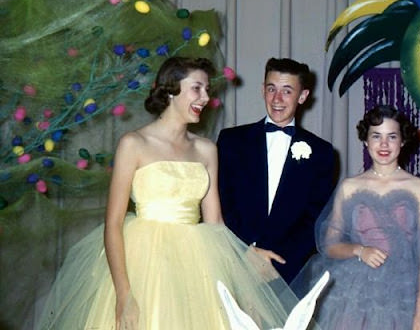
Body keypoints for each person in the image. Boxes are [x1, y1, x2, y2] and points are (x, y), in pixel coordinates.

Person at [36, 57, 298, 330]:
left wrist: (248, 255)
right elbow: (113, 224)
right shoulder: (134, 144)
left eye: (207, 89)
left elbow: (215, 223)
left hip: (194, 268)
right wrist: (124, 295)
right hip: (144, 268)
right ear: (172, 89)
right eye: (197, 88)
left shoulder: (206, 149)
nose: (206, 97)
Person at [292, 105, 420, 330]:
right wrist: (359, 250)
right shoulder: (349, 187)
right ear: (366, 141)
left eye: (392, 136)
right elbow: (329, 245)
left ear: (402, 141)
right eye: (376, 136)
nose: (384, 144)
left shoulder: (419, 188)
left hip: (403, 292)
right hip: (353, 293)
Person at [217, 57, 336, 284]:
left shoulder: (322, 152)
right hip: (234, 262)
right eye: (271, 89)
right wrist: (247, 253)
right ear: (262, 90)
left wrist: (277, 264)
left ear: (303, 96)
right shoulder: (231, 141)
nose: (277, 99)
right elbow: (223, 203)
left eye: (287, 91)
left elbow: (316, 219)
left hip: (287, 271)